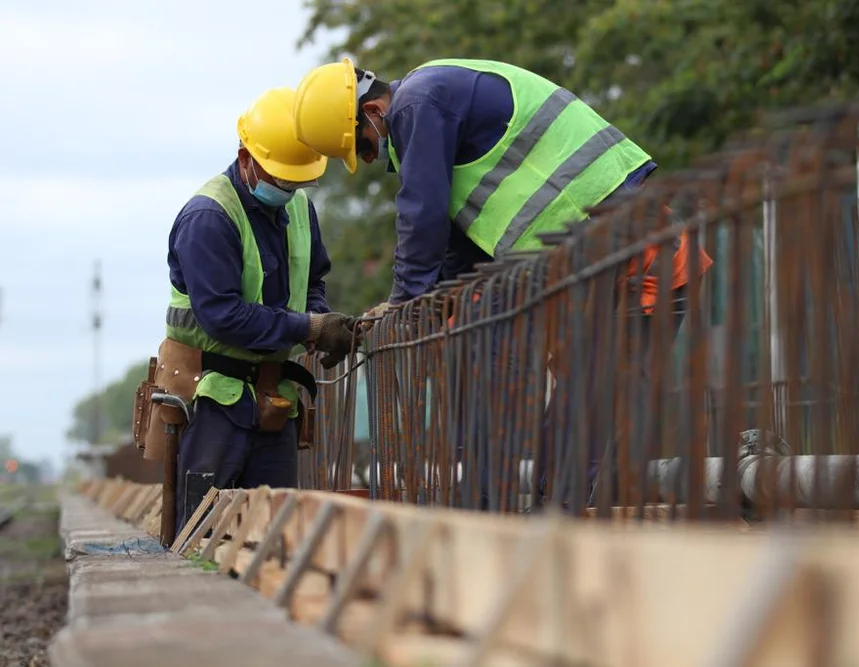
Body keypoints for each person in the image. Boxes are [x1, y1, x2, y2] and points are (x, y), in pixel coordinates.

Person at [290, 59, 712, 508]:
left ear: (374, 111)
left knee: (580, 408)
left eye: (363, 146)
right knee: (572, 412)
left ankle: (525, 519)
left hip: (640, 262)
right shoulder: (440, 110)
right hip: (595, 267)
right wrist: (410, 309)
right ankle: (516, 515)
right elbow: (456, 249)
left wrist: (404, 301)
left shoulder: (418, 101)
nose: (370, 159)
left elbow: (422, 214)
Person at [139, 87, 360, 538]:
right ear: (246, 158)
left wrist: (318, 320)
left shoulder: (300, 208)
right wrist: (308, 326)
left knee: (273, 533)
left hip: (272, 396)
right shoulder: (209, 217)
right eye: (281, 178)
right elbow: (223, 316)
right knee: (202, 533)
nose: (289, 188)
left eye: (298, 181)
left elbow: (312, 281)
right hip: (210, 397)